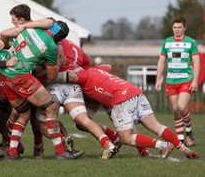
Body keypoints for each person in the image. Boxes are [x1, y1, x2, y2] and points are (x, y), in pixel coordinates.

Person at [66, 66, 200, 159]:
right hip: (134, 91)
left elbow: (69, 76)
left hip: (121, 98)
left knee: (125, 137)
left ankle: (163, 145)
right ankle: (184, 149)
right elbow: (107, 67)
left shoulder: (81, 74)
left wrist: (51, 75)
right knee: (156, 125)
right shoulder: (96, 69)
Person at [0, 18, 75, 160]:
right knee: (51, 108)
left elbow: (4, 33)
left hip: (3, 75)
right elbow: (51, 77)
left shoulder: (30, 29)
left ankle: (12, 153)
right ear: (61, 38)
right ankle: (60, 151)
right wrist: (57, 64)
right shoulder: (51, 47)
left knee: (23, 114)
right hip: (20, 76)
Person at [155, 16, 200, 147]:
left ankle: (189, 132)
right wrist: (158, 79)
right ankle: (180, 139)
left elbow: (196, 61)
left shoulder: (191, 42)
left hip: (186, 80)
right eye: (175, 27)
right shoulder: (167, 43)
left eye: (180, 27)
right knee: (175, 110)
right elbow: (161, 62)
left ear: (184, 28)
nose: (177, 30)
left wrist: (195, 81)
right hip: (171, 81)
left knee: (181, 107)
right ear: (172, 28)